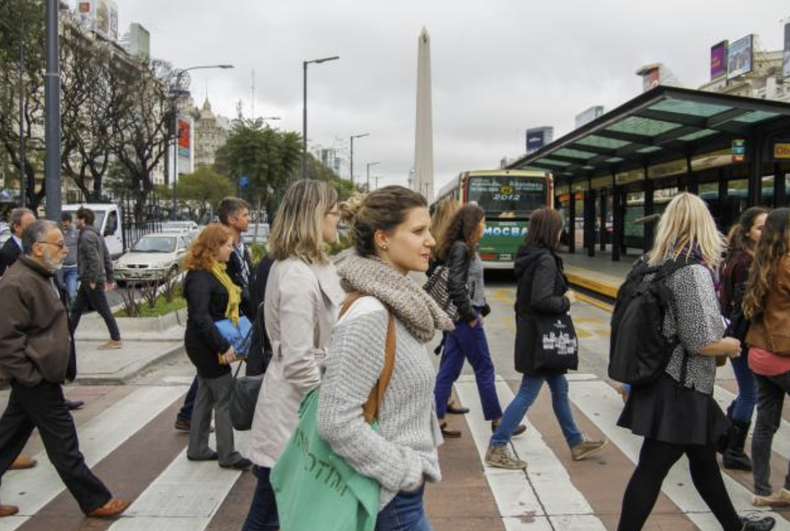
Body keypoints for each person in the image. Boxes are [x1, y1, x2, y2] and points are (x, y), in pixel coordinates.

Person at [616, 193, 775, 531]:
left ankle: (734, 526)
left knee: (703, 462)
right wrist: (731, 344)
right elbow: (701, 341)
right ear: (705, 224)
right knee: (651, 469)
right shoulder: (691, 272)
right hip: (680, 388)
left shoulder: (650, 263)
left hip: (665, 381)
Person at [317, 185, 453, 531]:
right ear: (383, 239)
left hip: (397, 493)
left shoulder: (398, 304)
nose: (431, 241)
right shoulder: (371, 312)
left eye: (429, 230)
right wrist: (405, 472)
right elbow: (335, 419)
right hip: (389, 498)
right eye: (418, 231)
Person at [0, 220, 130, 518]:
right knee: (64, 442)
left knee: (7, 438)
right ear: (36, 248)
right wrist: (31, 376)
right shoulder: (17, 282)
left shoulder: (42, 274)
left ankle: (94, 499)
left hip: (39, 375)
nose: (64, 249)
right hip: (36, 378)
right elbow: (7, 340)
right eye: (58, 244)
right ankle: (95, 499)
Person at [242, 180, 344, 531]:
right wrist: (330, 413)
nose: (339, 219)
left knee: (276, 513)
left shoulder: (306, 266)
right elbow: (300, 360)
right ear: (315, 217)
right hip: (294, 415)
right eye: (334, 212)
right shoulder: (297, 275)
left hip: (296, 412)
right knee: (270, 515)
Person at [486, 208, 606, 469]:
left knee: (560, 388)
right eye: (560, 226)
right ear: (552, 230)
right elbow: (541, 300)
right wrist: (566, 300)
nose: (562, 231)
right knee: (528, 391)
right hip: (541, 338)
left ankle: (576, 442)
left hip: (536, 335)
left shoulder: (532, 256)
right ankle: (497, 446)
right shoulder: (545, 261)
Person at [432, 204, 521, 438]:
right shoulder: (462, 248)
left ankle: (438, 418)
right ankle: (498, 421)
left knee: (449, 369)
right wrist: (471, 315)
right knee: (484, 367)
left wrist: (483, 306)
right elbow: (455, 285)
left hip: (462, 316)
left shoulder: (464, 247)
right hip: (464, 318)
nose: (485, 225)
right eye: (482, 221)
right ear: (473, 224)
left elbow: (470, 284)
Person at [175, 197, 254, 431]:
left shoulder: (239, 246)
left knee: (209, 376)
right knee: (216, 380)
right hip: (221, 325)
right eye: (246, 215)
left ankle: (190, 418)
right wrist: (221, 342)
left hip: (232, 319)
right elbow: (202, 312)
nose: (250, 219)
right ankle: (222, 442)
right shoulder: (207, 269)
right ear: (232, 219)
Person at [182, 223, 252, 470]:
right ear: (214, 247)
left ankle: (198, 448)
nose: (232, 251)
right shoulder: (201, 277)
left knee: (205, 394)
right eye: (228, 246)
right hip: (206, 345)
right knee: (224, 396)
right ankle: (228, 454)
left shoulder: (214, 271)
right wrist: (222, 347)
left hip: (206, 343)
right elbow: (201, 317)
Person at [742, 207, 790, 507]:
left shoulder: (759, 262)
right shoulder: (787, 264)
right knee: (766, 422)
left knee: (765, 422)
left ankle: (761, 490)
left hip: (759, 354)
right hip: (783, 353)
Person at [718, 206, 768, 471]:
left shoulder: (739, 258)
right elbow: (746, 308)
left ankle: (725, 434)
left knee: (750, 392)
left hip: (738, 335)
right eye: (761, 227)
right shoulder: (747, 263)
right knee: (750, 394)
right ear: (748, 231)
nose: (767, 232)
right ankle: (733, 449)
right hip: (744, 337)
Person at [69, 207, 122, 350]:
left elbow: (94, 260)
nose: (75, 222)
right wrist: (110, 277)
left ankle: (116, 339)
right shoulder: (97, 234)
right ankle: (67, 336)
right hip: (91, 279)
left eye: (77, 219)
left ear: (83, 220)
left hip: (91, 279)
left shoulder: (86, 236)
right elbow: (106, 257)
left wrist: (92, 280)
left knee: (104, 310)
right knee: (77, 308)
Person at [0, 207, 35, 277]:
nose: (34, 229)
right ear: (16, 227)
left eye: (35, 225)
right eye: (30, 226)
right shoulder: (6, 252)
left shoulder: (38, 244)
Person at [59, 212, 80, 302]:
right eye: (62, 222)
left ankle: (71, 311)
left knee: (71, 293)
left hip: (72, 268)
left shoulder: (76, 233)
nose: (64, 224)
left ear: (70, 222)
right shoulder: (57, 232)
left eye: (66, 222)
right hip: (59, 268)